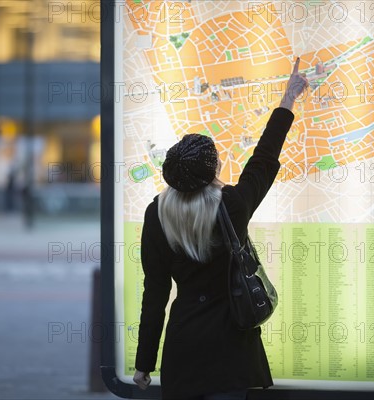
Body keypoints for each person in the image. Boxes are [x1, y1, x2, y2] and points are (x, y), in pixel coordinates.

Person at [133, 58, 309, 400]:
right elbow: (264, 158)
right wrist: (288, 99)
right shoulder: (232, 206)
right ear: (214, 169)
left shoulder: (156, 214)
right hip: (231, 348)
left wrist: (144, 363)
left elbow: (154, 295)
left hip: (184, 349)